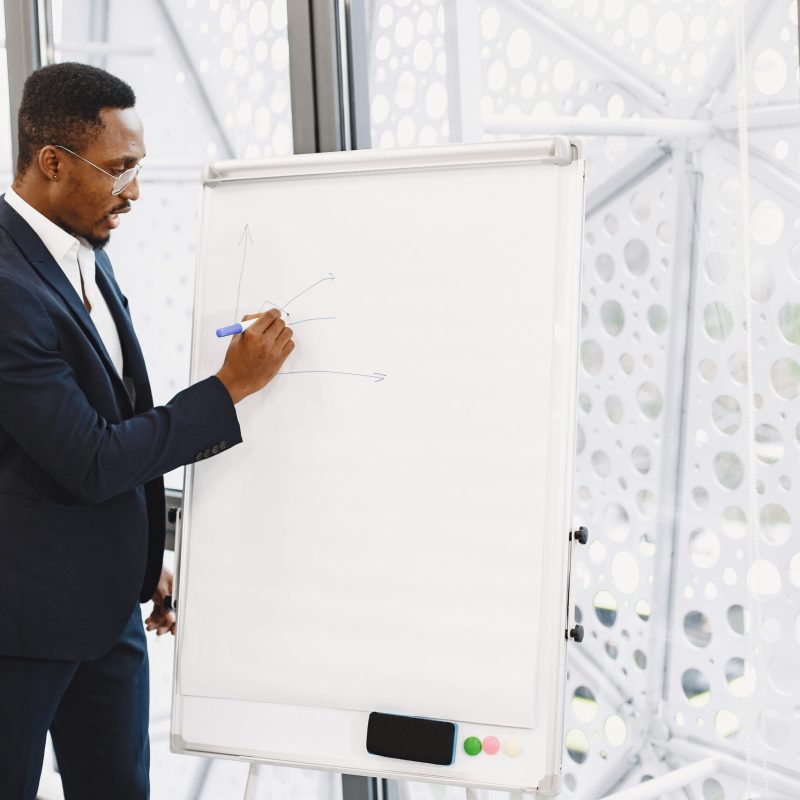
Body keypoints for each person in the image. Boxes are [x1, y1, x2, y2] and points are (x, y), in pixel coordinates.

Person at [0, 62, 293, 798]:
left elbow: (112, 417)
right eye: (120, 170)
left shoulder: (80, 251)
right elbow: (92, 457)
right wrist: (229, 389)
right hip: (19, 634)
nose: (133, 192)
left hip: (107, 621)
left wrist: (138, 561)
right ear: (53, 163)